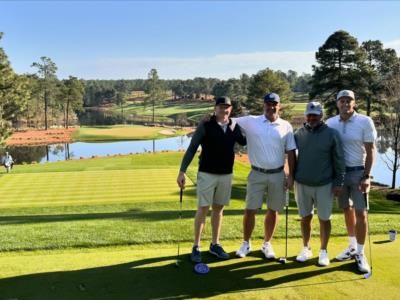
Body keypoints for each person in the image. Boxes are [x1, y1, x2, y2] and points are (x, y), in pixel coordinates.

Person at [177, 96, 246, 263]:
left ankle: (215, 244)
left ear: (231, 109)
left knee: (218, 210)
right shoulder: (206, 125)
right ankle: (196, 246)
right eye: (221, 106)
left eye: (227, 107)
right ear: (215, 108)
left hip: (226, 174)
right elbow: (192, 148)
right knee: (203, 209)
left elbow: (245, 141)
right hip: (207, 173)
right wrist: (182, 171)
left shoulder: (234, 126)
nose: (225, 109)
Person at [234, 92, 296, 259]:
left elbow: (291, 152)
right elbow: (226, 120)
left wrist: (290, 175)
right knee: (250, 210)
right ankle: (246, 243)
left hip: (277, 174)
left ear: (279, 106)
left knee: (274, 210)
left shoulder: (286, 126)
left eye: (274, 104)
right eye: (268, 104)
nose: (271, 107)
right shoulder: (251, 121)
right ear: (264, 105)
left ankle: (266, 244)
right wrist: (208, 120)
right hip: (256, 173)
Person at [326, 90, 377, 273]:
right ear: (337, 103)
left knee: (361, 213)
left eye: (349, 101)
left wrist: (367, 176)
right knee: (346, 210)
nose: (345, 104)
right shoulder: (330, 123)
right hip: (339, 175)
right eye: (342, 101)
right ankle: (352, 246)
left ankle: (361, 253)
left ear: (354, 103)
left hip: (358, 173)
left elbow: (371, 150)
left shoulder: (365, 121)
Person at [294, 101, 345, 266]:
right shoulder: (299, 133)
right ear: (305, 116)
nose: (312, 117)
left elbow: (339, 160)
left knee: (324, 218)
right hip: (302, 183)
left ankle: (323, 251)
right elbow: (289, 156)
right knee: (305, 217)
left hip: (325, 184)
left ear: (321, 115)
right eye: (309, 114)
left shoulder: (331, 134)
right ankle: (306, 248)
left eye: (315, 114)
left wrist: (339, 182)